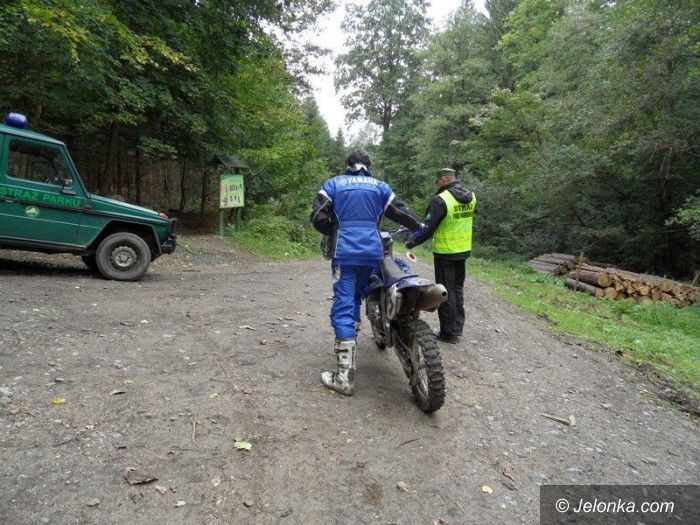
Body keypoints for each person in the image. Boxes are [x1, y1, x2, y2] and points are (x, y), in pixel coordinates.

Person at [310, 151, 423, 395]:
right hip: (372, 252)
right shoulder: (380, 187)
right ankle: (354, 336)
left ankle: (344, 376)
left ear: (347, 165)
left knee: (343, 302)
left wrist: (334, 230)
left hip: (345, 252)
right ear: (368, 167)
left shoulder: (333, 185)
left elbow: (318, 217)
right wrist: (419, 227)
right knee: (357, 297)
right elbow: (401, 212)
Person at [406, 168, 476, 344]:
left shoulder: (441, 199)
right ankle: (457, 328)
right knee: (457, 289)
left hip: (446, 253)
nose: (437, 184)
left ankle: (448, 333)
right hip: (463, 250)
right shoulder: (471, 196)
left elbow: (428, 228)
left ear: (444, 179)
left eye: (438, 180)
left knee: (445, 291)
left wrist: (412, 242)